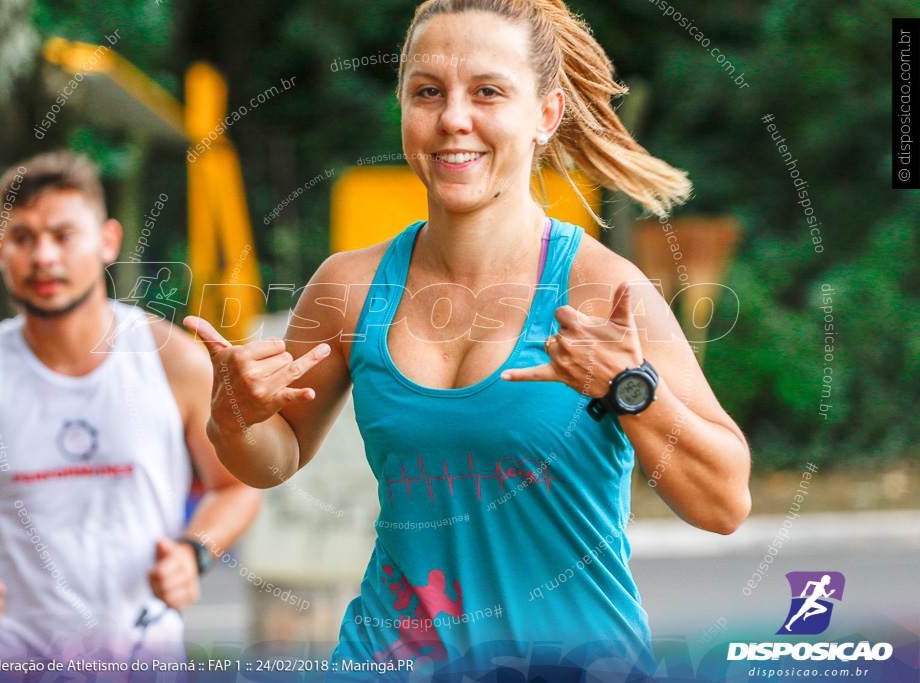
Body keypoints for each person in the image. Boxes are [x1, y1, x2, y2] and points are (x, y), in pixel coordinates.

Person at [186, 0, 751, 677]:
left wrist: (631, 389)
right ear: (403, 111)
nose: (453, 117)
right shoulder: (349, 286)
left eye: (488, 91)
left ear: (546, 114)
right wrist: (233, 415)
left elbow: (725, 503)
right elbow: (272, 459)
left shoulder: (602, 290)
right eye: (427, 92)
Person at [0, 151, 262, 665]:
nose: (44, 256)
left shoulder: (173, 360)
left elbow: (237, 484)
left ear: (107, 241)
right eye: (23, 238)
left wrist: (193, 552)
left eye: (64, 235)